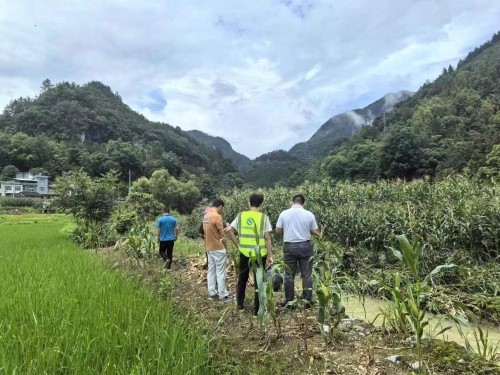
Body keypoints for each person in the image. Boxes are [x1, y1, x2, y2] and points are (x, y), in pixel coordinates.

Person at [226, 193, 273, 315]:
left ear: (249, 203)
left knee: (242, 278)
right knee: (259, 281)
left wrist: (238, 245)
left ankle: (240, 305)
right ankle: (256, 310)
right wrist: (270, 255)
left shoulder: (241, 216)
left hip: (244, 252)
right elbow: (267, 238)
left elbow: (229, 230)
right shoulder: (264, 218)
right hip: (259, 254)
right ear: (261, 205)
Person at [275, 194, 319, 308]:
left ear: (292, 202)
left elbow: (278, 231)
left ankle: (289, 300)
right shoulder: (309, 214)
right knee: (307, 274)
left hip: (289, 247)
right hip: (305, 246)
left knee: (289, 275)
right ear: (303, 203)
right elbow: (316, 232)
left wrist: (287, 228)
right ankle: (307, 300)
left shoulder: (284, 213)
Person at [203, 199, 232, 302]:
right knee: (221, 272)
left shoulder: (206, 216)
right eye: (222, 208)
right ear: (220, 206)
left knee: (211, 271)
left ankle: (212, 293)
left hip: (209, 247)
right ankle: (223, 295)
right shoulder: (217, 216)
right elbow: (222, 234)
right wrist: (226, 247)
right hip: (218, 248)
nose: (222, 210)